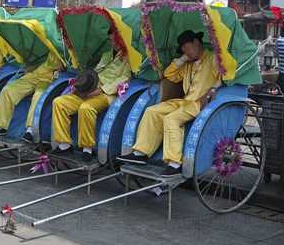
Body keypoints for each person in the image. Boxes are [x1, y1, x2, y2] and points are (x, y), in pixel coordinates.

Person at [118, 30, 222, 176]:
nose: (187, 52)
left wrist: (211, 91)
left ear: (196, 42)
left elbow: (221, 78)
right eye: (184, 50)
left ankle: (174, 164)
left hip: (198, 103)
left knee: (170, 119)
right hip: (184, 101)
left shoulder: (212, 59)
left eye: (188, 48)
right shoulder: (188, 64)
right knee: (152, 111)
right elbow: (169, 76)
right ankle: (140, 153)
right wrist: (182, 59)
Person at [49, 33, 131, 162]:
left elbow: (125, 78)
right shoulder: (106, 55)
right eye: (110, 40)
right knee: (59, 102)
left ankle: (87, 147)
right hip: (90, 90)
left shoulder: (128, 57)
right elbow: (95, 73)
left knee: (86, 108)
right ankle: (64, 144)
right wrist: (80, 85)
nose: (113, 43)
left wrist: (102, 89)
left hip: (107, 94)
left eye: (115, 40)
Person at [0, 51, 65, 142]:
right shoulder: (52, 44)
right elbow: (45, 62)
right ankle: (0, 127)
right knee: (8, 90)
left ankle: (30, 130)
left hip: (50, 80)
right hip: (35, 75)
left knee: (39, 95)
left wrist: (63, 65)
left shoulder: (69, 50)